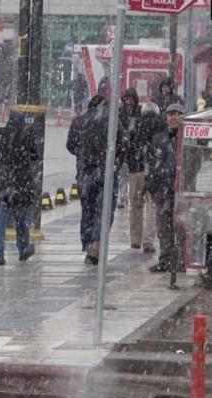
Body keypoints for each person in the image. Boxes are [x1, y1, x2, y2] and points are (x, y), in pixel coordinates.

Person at [66, 95, 115, 265]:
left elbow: (70, 145)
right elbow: (122, 143)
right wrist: (113, 159)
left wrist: (82, 155)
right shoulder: (110, 121)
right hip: (105, 170)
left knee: (87, 209)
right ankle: (96, 242)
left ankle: (88, 243)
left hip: (84, 171)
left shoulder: (79, 121)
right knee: (104, 209)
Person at [0, 114, 38, 265]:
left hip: (1, 183)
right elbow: (35, 155)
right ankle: (23, 248)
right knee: (21, 220)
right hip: (20, 184)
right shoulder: (27, 136)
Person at [146, 104, 184, 273]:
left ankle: (181, 261)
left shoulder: (186, 138)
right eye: (170, 114)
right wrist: (153, 187)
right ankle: (165, 259)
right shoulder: (159, 139)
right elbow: (151, 163)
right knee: (163, 228)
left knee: (181, 227)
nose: (173, 117)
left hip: (181, 191)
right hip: (162, 191)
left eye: (176, 114)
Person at [118, 88, 152, 251]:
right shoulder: (122, 115)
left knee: (146, 205)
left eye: (131, 99)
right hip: (135, 166)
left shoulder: (140, 115)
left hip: (143, 165)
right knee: (137, 205)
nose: (128, 102)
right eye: (126, 99)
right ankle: (137, 239)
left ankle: (146, 240)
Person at [136, 102, 166, 253]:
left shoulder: (138, 124)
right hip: (154, 170)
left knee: (136, 206)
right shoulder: (160, 125)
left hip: (137, 170)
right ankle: (148, 240)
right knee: (151, 206)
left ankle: (135, 239)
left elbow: (133, 145)